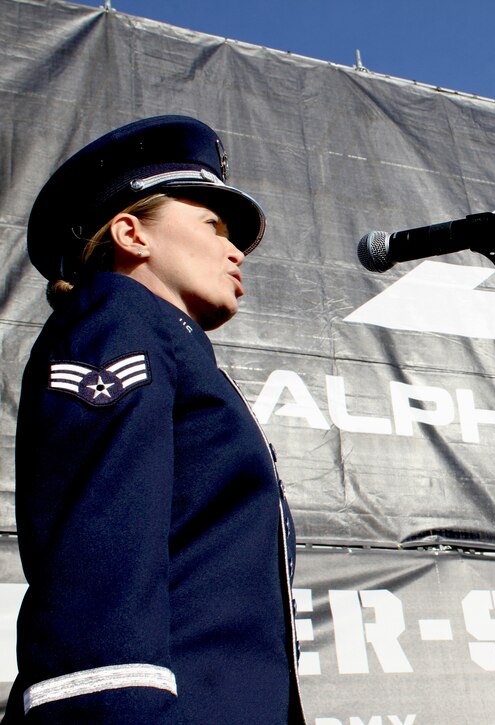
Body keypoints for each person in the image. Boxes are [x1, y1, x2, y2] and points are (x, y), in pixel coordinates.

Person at [3, 116, 304, 723]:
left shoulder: (171, 344)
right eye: (212, 225)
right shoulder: (117, 323)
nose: (234, 249)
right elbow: (100, 560)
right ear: (131, 235)